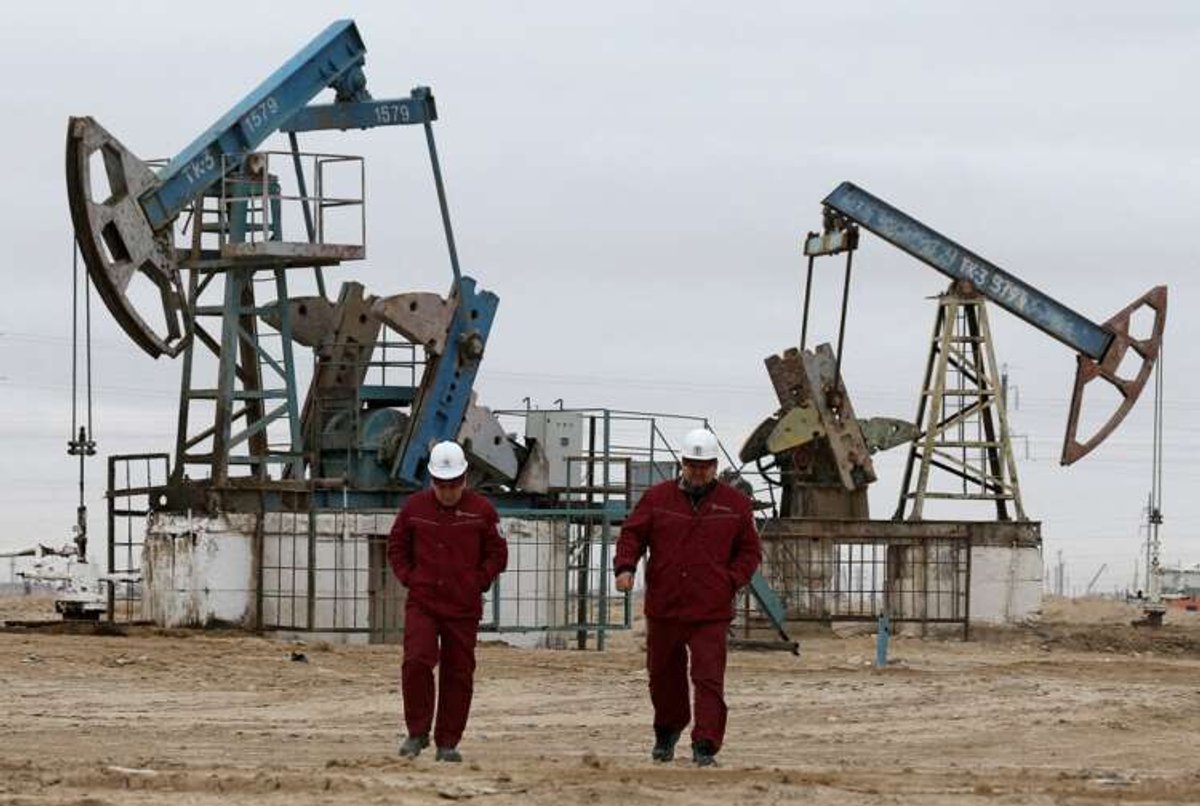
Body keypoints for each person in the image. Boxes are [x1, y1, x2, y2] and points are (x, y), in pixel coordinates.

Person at [614, 427, 762, 767]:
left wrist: (730, 581)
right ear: (682, 463)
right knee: (664, 676)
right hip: (665, 606)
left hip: (710, 609)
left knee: (708, 677)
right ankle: (667, 732)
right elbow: (632, 535)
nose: (698, 471)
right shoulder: (656, 499)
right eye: (693, 465)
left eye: (705, 465)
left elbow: (750, 552)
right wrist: (625, 567)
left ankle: (705, 744)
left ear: (715, 465)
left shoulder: (735, 505)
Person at [388, 440, 507, 762]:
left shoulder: (482, 511)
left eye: (453, 484)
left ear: (464, 479)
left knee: (458, 673)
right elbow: (396, 547)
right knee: (416, 661)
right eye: (442, 485)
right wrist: (410, 578)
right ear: (431, 480)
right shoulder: (414, 508)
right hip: (423, 602)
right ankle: (417, 733)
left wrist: (477, 581)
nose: (448, 491)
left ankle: (448, 742)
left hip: (463, 607)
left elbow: (498, 554)